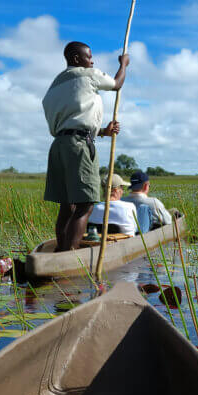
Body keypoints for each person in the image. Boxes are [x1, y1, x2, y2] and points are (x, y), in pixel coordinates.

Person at [42, 41, 130, 251]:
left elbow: (70, 120)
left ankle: (61, 251)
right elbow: (117, 83)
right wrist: (124, 64)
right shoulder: (87, 75)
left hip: (59, 145)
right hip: (79, 146)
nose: (92, 61)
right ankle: (69, 255)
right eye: (89, 57)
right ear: (76, 59)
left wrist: (102, 132)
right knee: (85, 204)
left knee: (68, 205)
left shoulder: (54, 86)